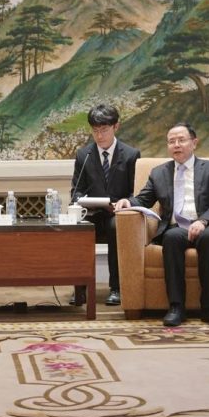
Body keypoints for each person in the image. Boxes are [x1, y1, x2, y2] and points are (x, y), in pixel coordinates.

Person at [114, 122, 209, 327]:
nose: (176, 145)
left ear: (194, 143)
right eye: (171, 141)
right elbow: (143, 199)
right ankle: (176, 307)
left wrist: (203, 221)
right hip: (177, 227)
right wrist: (128, 202)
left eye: (181, 140)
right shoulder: (159, 173)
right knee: (170, 237)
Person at [71, 104, 140, 306]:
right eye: (95, 131)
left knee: (115, 227)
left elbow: (136, 192)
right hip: (92, 212)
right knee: (76, 228)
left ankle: (116, 288)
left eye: (104, 130)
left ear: (116, 126)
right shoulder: (84, 155)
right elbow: (76, 191)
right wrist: (83, 200)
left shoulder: (131, 155)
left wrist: (125, 203)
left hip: (118, 214)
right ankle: (79, 288)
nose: (99, 136)